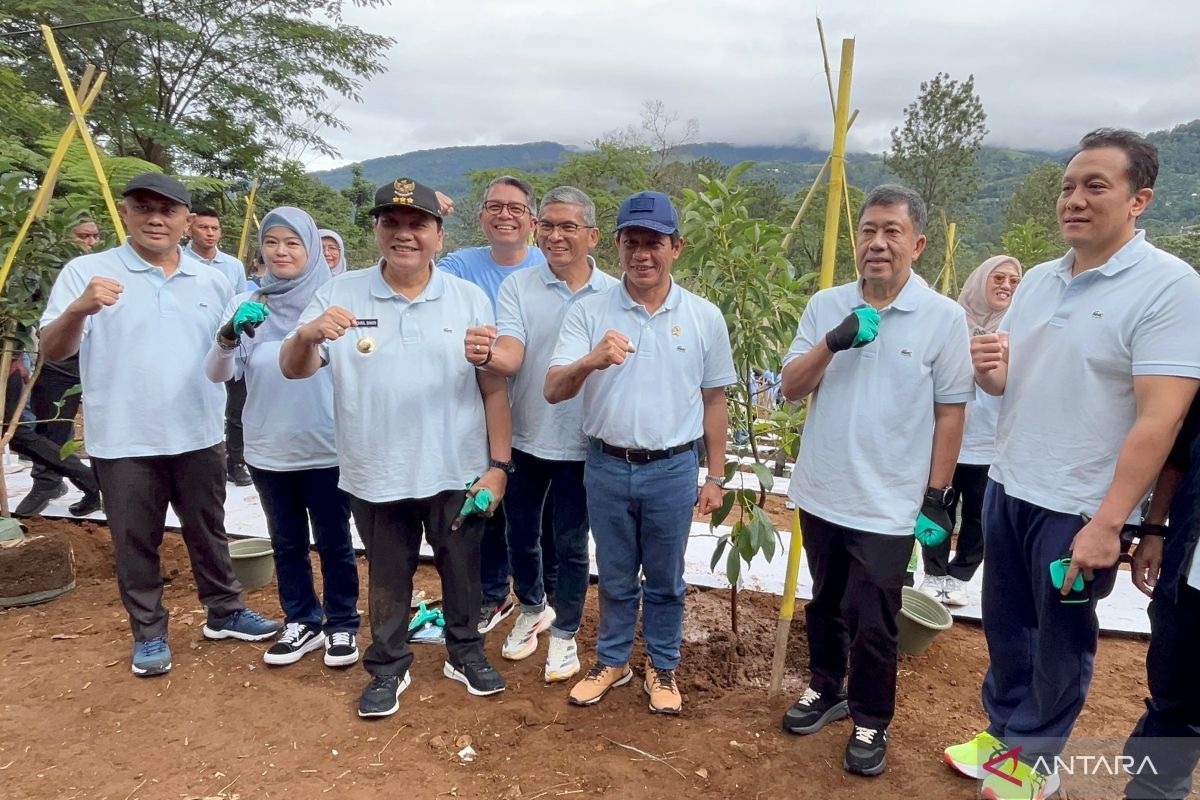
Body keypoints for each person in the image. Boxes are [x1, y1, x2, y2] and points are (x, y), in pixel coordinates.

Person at [944, 129, 1200, 800]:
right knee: (1006, 625)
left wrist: (1111, 522)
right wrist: (993, 376)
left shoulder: (1169, 288)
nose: (1073, 200)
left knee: (1060, 640)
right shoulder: (1036, 281)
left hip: (1081, 504)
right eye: (1067, 186)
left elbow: (1160, 418)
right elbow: (1014, 389)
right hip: (1010, 484)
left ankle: (1036, 757)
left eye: (1095, 186)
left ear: (1139, 199)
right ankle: (1002, 734)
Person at [280, 177, 513, 719]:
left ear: (438, 234)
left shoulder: (468, 297)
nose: (404, 234)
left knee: (463, 572)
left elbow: (493, 386)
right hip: (374, 470)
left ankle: (465, 653)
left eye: (417, 225)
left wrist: (498, 467)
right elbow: (295, 370)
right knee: (387, 575)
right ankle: (388, 665)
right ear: (377, 229)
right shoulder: (340, 295)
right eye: (392, 223)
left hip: (456, 469)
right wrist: (307, 335)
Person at [39, 173, 282, 678]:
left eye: (168, 210)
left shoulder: (213, 279)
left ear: (186, 221)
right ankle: (149, 633)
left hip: (197, 430)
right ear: (125, 213)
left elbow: (227, 349)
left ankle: (226, 611)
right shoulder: (88, 271)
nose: (155, 218)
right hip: (123, 437)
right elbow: (52, 349)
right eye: (143, 207)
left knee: (209, 530)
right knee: (136, 539)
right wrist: (81, 308)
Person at [777, 185, 974, 777]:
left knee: (876, 620)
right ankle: (825, 687)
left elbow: (951, 411)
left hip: (889, 503)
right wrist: (833, 342)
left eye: (891, 231)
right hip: (821, 491)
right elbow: (789, 386)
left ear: (915, 244)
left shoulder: (943, 318)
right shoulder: (825, 304)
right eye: (868, 231)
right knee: (826, 603)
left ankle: (870, 718)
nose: (878, 243)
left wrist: (937, 498)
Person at [545, 190, 735, 715]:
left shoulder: (703, 316)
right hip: (605, 464)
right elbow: (554, 388)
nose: (642, 254)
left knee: (668, 577)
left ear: (677, 246)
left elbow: (714, 399)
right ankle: (612, 661)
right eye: (632, 242)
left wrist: (715, 476)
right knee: (615, 572)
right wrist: (592, 360)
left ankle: (663, 665)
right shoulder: (590, 311)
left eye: (654, 242)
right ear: (617, 247)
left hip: (673, 468)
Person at [463, 186, 617, 682]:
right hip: (527, 435)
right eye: (547, 225)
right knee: (519, 534)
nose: (555, 235)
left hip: (583, 441)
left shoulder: (613, 294)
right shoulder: (519, 288)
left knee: (571, 542)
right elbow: (512, 352)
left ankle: (566, 634)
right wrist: (487, 355)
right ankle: (532, 607)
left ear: (592, 236)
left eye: (568, 226)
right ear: (536, 228)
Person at [204, 207, 360, 669]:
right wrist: (228, 335)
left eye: (293, 243)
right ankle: (302, 621)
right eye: (272, 243)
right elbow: (218, 374)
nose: (281, 251)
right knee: (286, 540)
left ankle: (342, 624)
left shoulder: (332, 303)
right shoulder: (247, 303)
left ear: (311, 248)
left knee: (335, 542)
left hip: (328, 445)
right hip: (269, 447)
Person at [438, 175, 546, 634]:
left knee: (539, 517)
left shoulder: (548, 265)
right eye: (495, 206)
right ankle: (491, 593)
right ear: (480, 215)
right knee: (485, 504)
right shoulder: (460, 265)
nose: (505, 215)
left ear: (533, 221)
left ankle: (543, 598)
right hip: (477, 410)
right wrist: (428, 212)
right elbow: (420, 285)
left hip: (541, 412)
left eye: (515, 208)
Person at [917, 255, 1023, 607]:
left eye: (1014, 280)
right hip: (945, 437)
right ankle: (933, 573)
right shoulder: (950, 321)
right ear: (980, 280)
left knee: (979, 516)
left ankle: (961, 575)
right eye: (998, 277)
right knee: (936, 506)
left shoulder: (1021, 328)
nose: (1006, 285)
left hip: (989, 443)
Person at [1123, 395, 1200, 800]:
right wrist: (1154, 529)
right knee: (1177, 694)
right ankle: (1153, 786)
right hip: (1192, 575)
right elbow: (1179, 455)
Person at [16, 218, 105, 518]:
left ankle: (96, 484)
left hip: (98, 358)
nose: (90, 241)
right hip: (57, 360)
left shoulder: (102, 267)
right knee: (50, 427)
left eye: (94, 236)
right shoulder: (42, 269)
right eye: (83, 236)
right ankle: (48, 483)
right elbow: (23, 312)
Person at [186, 206, 253, 487]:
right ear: (189, 228)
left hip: (230, 343)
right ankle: (199, 460)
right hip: (193, 345)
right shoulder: (179, 263)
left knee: (236, 408)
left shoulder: (233, 266)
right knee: (199, 403)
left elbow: (240, 305)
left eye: (215, 228)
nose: (210, 233)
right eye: (203, 227)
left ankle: (234, 461)